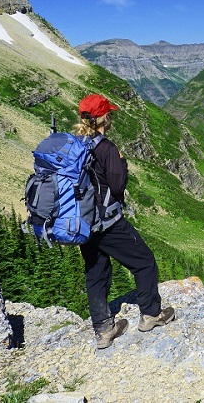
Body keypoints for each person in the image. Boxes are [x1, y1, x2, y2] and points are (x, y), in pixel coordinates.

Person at [74, 94, 175, 349]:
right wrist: (122, 163)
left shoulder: (75, 144)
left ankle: (104, 330)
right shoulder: (106, 148)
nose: (111, 117)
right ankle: (151, 315)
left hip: (83, 223)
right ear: (104, 118)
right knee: (144, 262)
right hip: (108, 222)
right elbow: (117, 187)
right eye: (109, 113)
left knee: (96, 273)